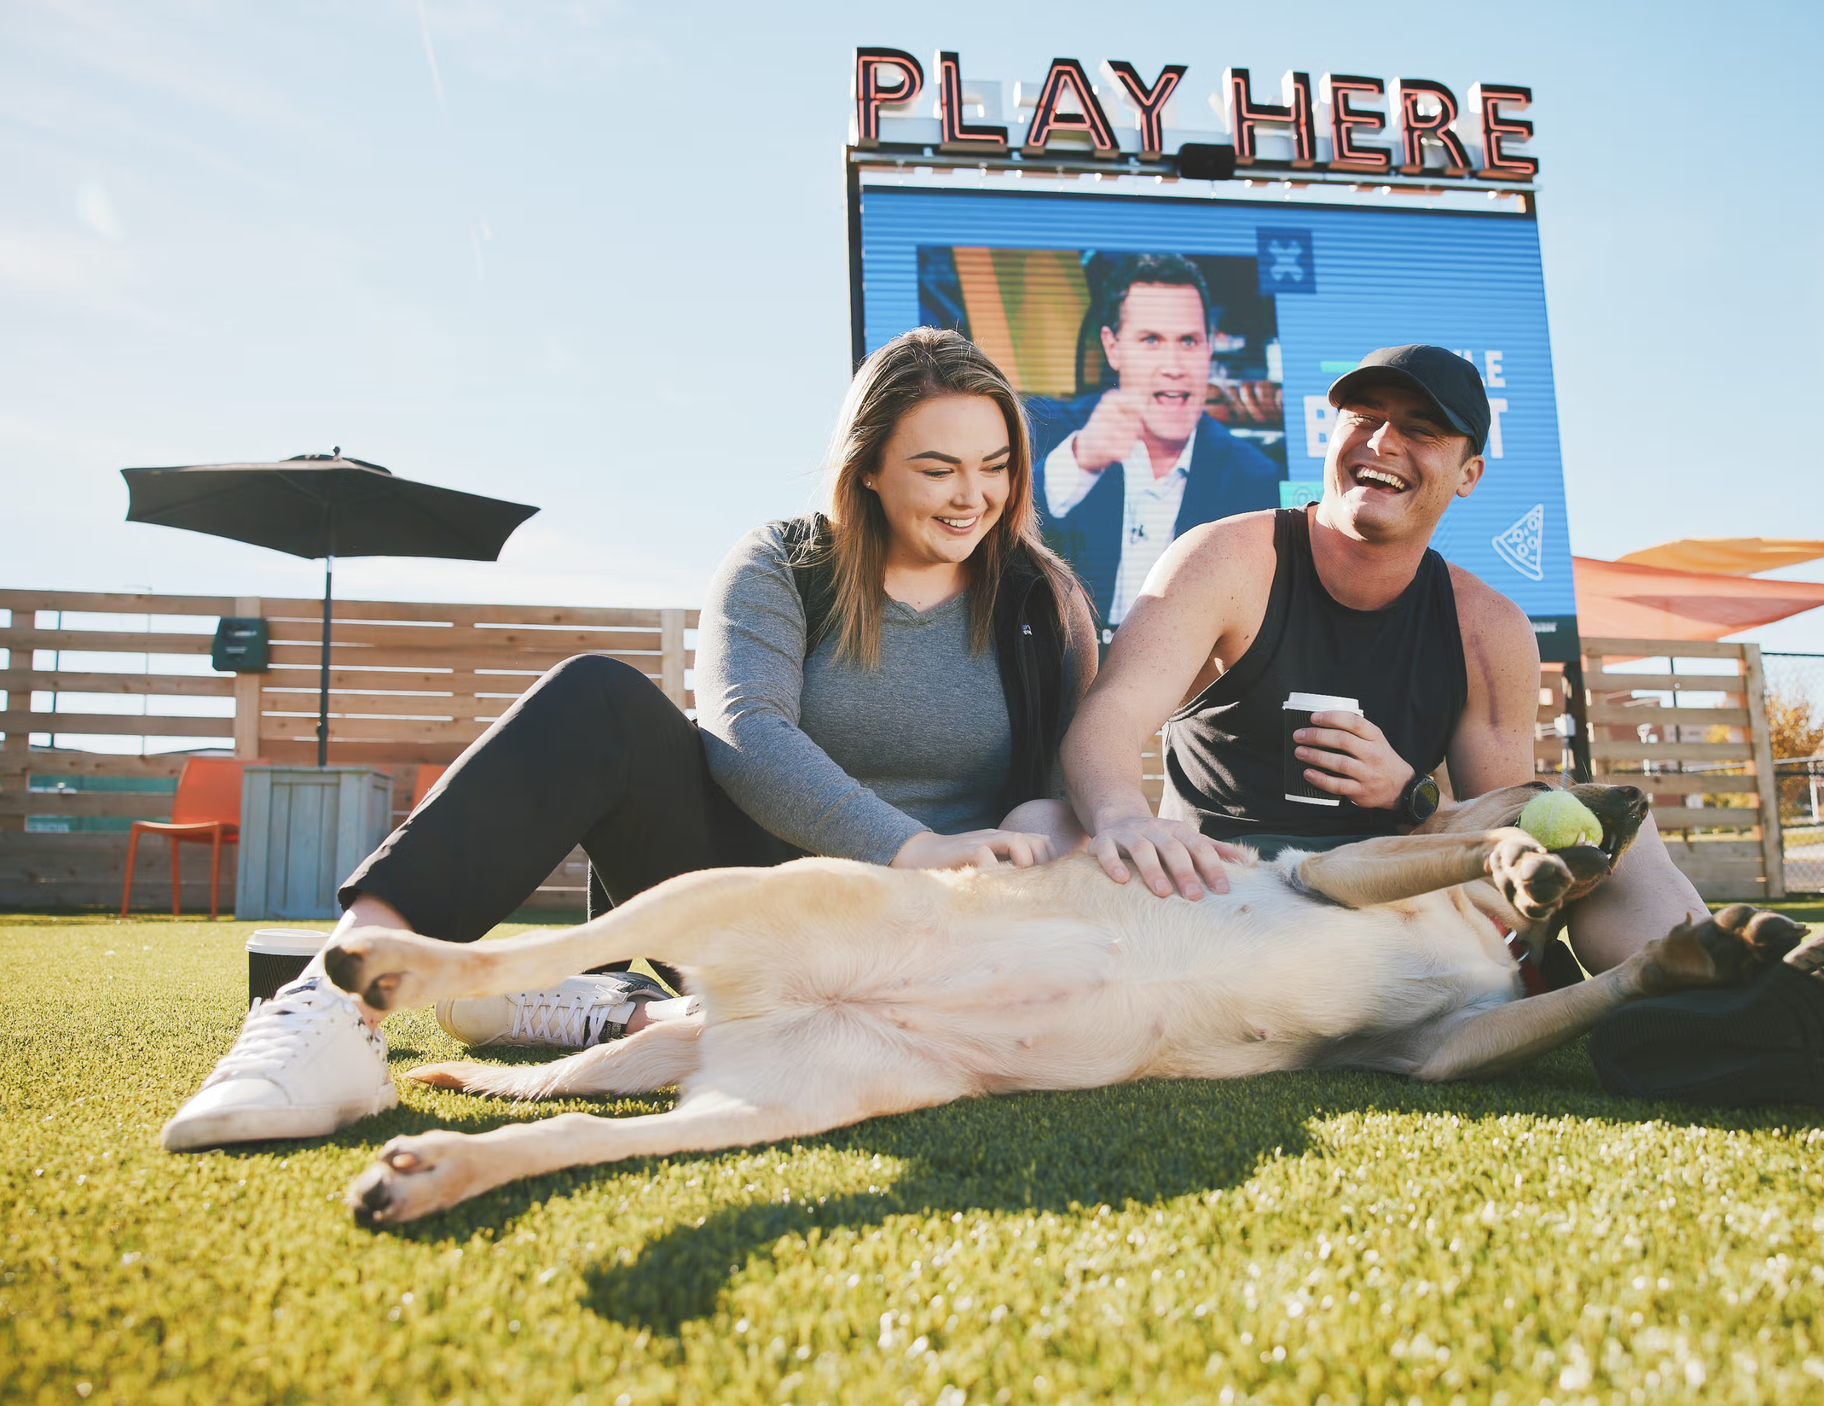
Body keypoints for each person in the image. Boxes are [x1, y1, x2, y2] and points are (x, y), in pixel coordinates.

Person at [161, 328, 1097, 1152]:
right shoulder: (784, 563)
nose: (972, 495)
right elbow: (746, 734)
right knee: (598, 695)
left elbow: (1071, 782)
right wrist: (911, 847)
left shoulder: (1041, 597)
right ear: (866, 468)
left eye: (995, 465)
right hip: (765, 904)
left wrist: (1014, 840)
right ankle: (337, 1004)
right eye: (937, 468)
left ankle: (615, 1007)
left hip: (945, 941)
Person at [1061, 344, 1706, 978]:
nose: (1381, 442)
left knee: (1619, 828)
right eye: (1364, 418)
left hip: (1396, 904)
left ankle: (1712, 1007)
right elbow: (1111, 714)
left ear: (1468, 475)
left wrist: (1409, 794)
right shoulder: (1224, 558)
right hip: (1230, 896)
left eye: (1419, 430)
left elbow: (1502, 839)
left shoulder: (1490, 627)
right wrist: (1122, 817)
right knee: (1049, 822)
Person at [1029, 253, 1284, 631]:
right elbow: (1002, 537)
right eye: (1151, 340)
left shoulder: (1255, 478)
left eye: (1188, 341)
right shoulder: (1045, 429)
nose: (1174, 366)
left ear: (1209, 348)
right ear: (1113, 347)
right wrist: (1080, 461)